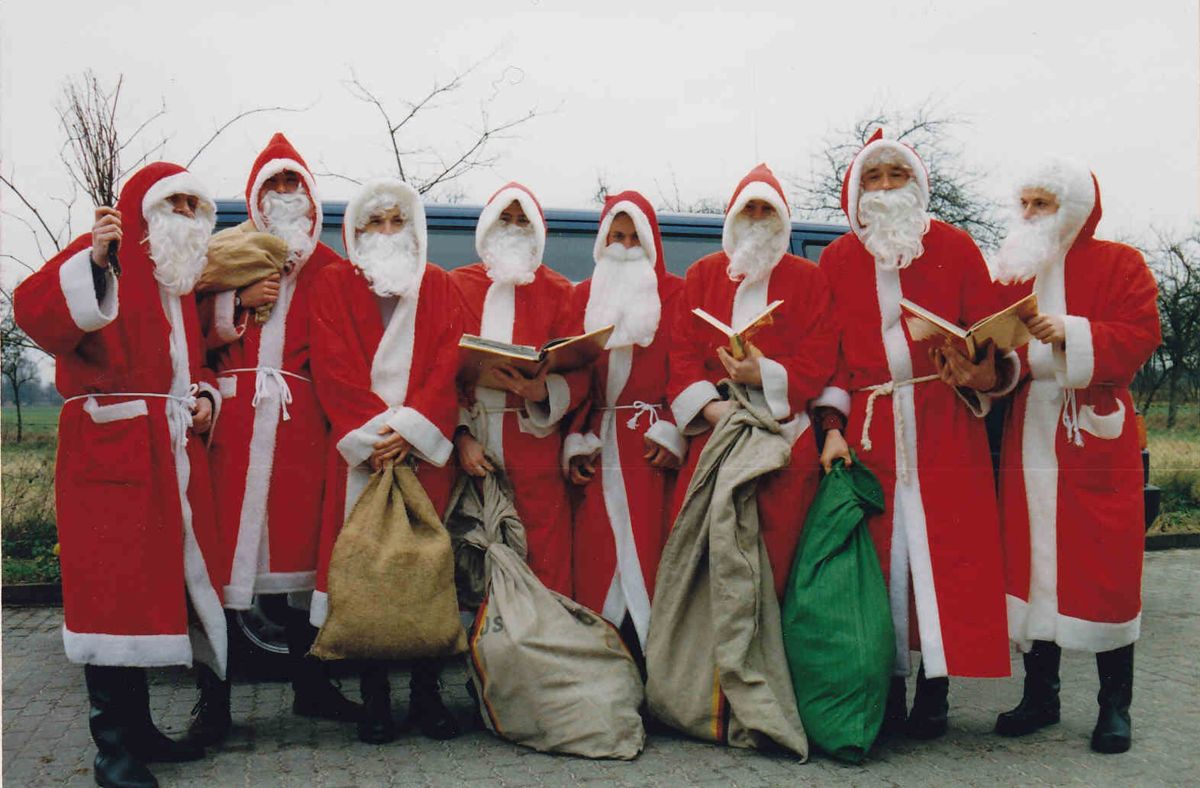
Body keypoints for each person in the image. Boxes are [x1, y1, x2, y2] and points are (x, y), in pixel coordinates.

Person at [14, 162, 227, 788]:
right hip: (108, 454)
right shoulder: (99, 256)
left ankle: (139, 732)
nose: (185, 214)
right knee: (110, 594)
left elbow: (194, 364)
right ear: (141, 208)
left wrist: (207, 396)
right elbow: (35, 314)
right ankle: (112, 751)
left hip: (168, 455)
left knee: (148, 592)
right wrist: (98, 262)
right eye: (173, 203)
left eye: (194, 204)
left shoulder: (178, 282)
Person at [817, 130, 1013, 740]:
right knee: (883, 558)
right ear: (855, 193)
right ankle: (888, 684)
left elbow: (995, 338)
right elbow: (829, 361)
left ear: (917, 185)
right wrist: (831, 427)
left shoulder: (956, 246)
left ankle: (936, 686)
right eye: (871, 179)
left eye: (894, 177)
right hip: (874, 426)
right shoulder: (837, 259)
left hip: (944, 417)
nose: (883, 189)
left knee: (944, 553)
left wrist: (981, 369)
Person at [189, 133, 359, 745]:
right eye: (275, 185)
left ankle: (310, 686)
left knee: (298, 567)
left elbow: (345, 352)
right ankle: (213, 703)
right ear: (256, 195)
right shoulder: (223, 256)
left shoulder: (333, 269)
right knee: (222, 566)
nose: (286, 195)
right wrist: (236, 299)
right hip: (232, 431)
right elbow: (189, 340)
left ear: (311, 196)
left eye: (295, 185)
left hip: (299, 433)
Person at [988, 159, 1161, 754]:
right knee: (1034, 563)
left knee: (1105, 567)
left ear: (1077, 208)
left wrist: (1070, 332)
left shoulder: (1121, 264)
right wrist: (984, 367)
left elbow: (1140, 336)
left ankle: (1115, 706)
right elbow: (1003, 353)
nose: (1032, 214)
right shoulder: (1014, 269)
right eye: (1027, 203)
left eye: (1045, 203)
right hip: (1030, 427)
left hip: (1092, 430)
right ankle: (1041, 696)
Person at [308, 178, 463, 744]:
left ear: (415, 228)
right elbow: (331, 366)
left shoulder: (441, 287)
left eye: (398, 222)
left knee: (422, 568)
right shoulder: (331, 285)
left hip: (420, 456)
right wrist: (377, 437)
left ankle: (427, 695)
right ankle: (374, 698)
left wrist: (410, 431)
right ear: (355, 229)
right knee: (365, 571)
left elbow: (448, 366)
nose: (387, 232)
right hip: (362, 456)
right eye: (376, 223)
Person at [667, 163, 838, 600]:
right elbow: (681, 352)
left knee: (779, 551)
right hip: (716, 432)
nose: (758, 219)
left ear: (781, 219)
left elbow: (821, 356)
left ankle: (773, 663)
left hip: (785, 433)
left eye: (767, 211)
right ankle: (711, 665)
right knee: (711, 555)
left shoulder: (808, 277)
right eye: (750, 210)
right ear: (734, 217)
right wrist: (708, 407)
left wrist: (763, 372)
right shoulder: (702, 275)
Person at [562, 191, 685, 668]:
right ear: (603, 239)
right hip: (599, 440)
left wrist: (674, 429)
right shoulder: (581, 296)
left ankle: (658, 673)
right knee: (597, 555)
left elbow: (689, 368)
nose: (626, 245)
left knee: (652, 555)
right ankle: (605, 668)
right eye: (617, 235)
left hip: (652, 443)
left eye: (636, 237)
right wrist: (575, 439)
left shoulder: (675, 293)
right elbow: (572, 376)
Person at [450, 183, 589, 596]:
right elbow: (438, 370)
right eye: (504, 219)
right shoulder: (456, 286)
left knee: (543, 555)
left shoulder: (560, 291)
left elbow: (583, 370)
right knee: (472, 553)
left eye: (522, 220)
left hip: (534, 442)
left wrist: (542, 392)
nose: (513, 228)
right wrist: (460, 435)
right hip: (473, 440)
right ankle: (479, 652)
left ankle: (542, 652)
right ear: (487, 227)